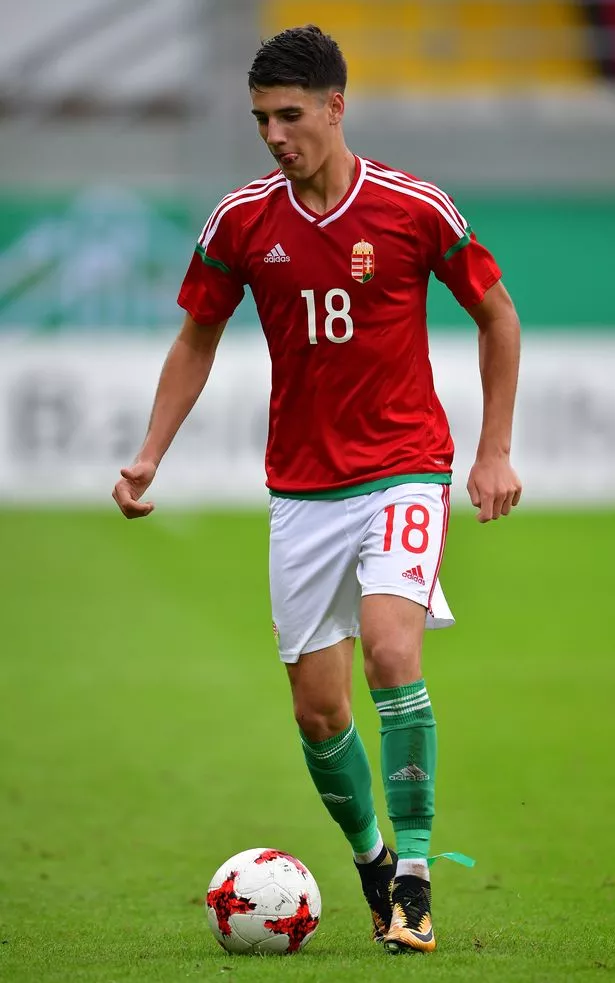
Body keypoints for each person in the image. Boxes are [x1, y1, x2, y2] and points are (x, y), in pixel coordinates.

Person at [112, 24, 522, 955]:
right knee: (318, 710)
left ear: (336, 107)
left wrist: (493, 449)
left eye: (289, 115)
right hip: (301, 491)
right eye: (260, 118)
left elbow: (496, 314)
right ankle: (373, 861)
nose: (273, 135)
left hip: (404, 468)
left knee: (389, 651)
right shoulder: (240, 221)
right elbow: (196, 337)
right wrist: (150, 453)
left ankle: (414, 877)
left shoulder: (415, 209)